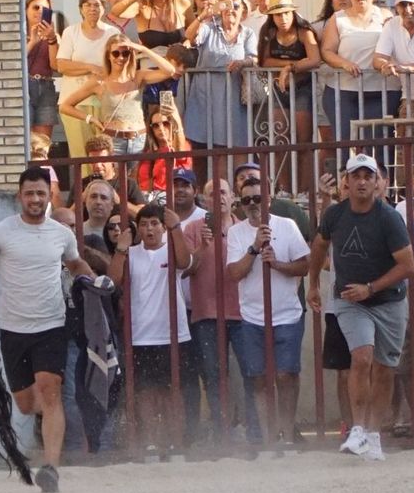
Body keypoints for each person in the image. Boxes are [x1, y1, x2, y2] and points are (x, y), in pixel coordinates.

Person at [0, 167, 96, 493]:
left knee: (51, 389)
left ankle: (51, 468)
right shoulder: (2, 232)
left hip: (51, 325)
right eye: (29, 193)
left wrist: (94, 282)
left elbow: (75, 264)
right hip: (13, 329)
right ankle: (49, 416)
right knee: (27, 404)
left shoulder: (61, 234)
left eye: (41, 193)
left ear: (49, 195)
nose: (35, 199)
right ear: (20, 196)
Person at [310, 154, 414, 461]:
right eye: (356, 175)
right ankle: (357, 428)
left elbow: (407, 265)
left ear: (378, 182)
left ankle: (373, 434)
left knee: (384, 369)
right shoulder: (334, 214)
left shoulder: (389, 218)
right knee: (361, 356)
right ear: (347, 180)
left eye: (368, 176)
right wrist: (313, 282)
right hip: (349, 299)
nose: (362, 181)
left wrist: (371, 288)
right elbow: (318, 245)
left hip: (389, 301)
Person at [225, 175, 311, 446]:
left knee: (286, 374)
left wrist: (277, 265)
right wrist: (253, 249)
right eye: (246, 199)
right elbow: (234, 273)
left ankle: (286, 432)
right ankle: (269, 436)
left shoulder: (287, 226)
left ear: (269, 199)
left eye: (257, 198)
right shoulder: (237, 233)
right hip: (252, 316)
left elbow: (305, 265)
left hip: (286, 313)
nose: (252, 204)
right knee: (260, 378)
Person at [108, 202, 196, 457]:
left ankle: (174, 442)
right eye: (144, 224)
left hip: (173, 332)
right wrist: (121, 249)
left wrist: (177, 227)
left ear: (163, 226)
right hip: (139, 335)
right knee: (145, 392)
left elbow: (185, 261)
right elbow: (112, 281)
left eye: (155, 223)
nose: (149, 229)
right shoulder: (131, 253)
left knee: (173, 391)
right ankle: (149, 441)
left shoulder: (172, 249)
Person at [184, 178, 244, 445]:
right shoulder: (194, 228)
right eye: (211, 193)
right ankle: (222, 430)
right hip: (206, 313)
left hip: (243, 312)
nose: (218, 197)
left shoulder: (244, 229)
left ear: (232, 197)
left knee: (251, 372)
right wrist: (201, 249)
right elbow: (184, 269)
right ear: (204, 200)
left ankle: (250, 427)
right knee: (213, 374)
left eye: (223, 192)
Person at [59, 36, 178, 155]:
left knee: (137, 174)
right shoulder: (100, 81)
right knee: (113, 174)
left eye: (125, 53)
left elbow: (170, 71)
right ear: (108, 56)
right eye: (115, 53)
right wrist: (91, 119)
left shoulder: (138, 77)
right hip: (113, 140)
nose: (120, 58)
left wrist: (143, 49)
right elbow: (65, 106)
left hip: (139, 140)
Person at [256, 0, 322, 197]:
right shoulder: (268, 34)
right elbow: (264, 61)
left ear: (293, 13)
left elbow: (314, 59)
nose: (283, 19)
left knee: (303, 141)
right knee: (280, 140)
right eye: (278, 14)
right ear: (272, 17)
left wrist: (290, 69)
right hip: (279, 89)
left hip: (303, 89)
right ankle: (283, 189)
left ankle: (304, 191)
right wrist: (290, 65)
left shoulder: (304, 32)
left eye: (286, 13)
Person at [181, 0, 258, 155]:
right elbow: (190, 36)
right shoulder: (210, 28)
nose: (230, 10)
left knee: (233, 148)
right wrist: (203, 16)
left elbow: (255, 58)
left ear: (244, 10)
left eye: (236, 6)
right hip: (206, 96)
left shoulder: (247, 34)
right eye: (226, 5)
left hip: (233, 96)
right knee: (200, 148)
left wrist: (243, 62)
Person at [54, 0, 116, 158]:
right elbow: (62, 65)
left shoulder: (113, 33)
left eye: (97, 5)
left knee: (106, 154)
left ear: (104, 8)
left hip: (104, 101)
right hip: (74, 103)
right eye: (87, 5)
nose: (92, 9)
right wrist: (90, 68)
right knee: (82, 155)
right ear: (81, 9)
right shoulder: (71, 32)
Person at [23, 0, 62, 151]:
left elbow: (55, 66)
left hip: (46, 87)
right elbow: (15, 63)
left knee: (43, 143)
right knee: (24, 140)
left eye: (44, 9)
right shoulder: (18, 35)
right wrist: (33, 42)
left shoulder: (54, 36)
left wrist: (51, 39)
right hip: (25, 87)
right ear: (26, 10)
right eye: (35, 7)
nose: (39, 11)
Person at [136, 102, 193, 203]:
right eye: (155, 126)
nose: (161, 128)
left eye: (165, 123)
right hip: (146, 198)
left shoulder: (182, 146)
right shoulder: (148, 153)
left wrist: (176, 120)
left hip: (170, 197)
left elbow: (180, 152)